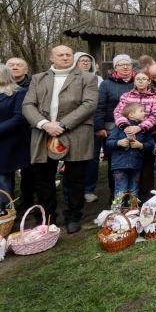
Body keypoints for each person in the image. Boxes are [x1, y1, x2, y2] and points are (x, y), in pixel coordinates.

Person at [22, 45, 98, 233]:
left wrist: (62, 124)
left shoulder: (87, 78)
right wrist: (44, 124)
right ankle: (47, 217)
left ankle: (73, 216)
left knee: (74, 178)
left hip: (76, 131)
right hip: (43, 132)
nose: (65, 57)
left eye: (68, 54)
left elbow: (89, 104)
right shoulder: (38, 79)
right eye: (60, 54)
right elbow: (28, 105)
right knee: (43, 177)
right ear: (51, 58)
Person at [112, 71, 156, 201]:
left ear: (149, 81)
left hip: (146, 134)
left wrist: (140, 127)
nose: (140, 81)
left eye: (144, 79)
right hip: (125, 132)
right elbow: (118, 112)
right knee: (123, 172)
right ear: (134, 81)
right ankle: (120, 204)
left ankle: (144, 202)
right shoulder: (126, 96)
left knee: (145, 172)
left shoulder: (155, 97)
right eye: (138, 79)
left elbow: (154, 116)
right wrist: (126, 127)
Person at [94, 54, 135, 197]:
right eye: (121, 65)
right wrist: (99, 127)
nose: (125, 67)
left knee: (134, 161)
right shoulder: (106, 84)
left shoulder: (138, 81)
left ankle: (134, 195)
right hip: (113, 129)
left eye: (128, 64)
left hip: (137, 127)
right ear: (115, 68)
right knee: (116, 163)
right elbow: (100, 106)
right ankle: (116, 195)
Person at [105, 103, 155, 199]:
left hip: (136, 165)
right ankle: (118, 212)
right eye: (141, 111)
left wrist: (141, 145)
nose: (144, 113)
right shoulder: (119, 128)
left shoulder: (143, 129)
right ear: (131, 115)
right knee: (121, 190)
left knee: (134, 190)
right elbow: (109, 142)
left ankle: (132, 212)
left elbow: (151, 144)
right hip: (120, 165)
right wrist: (118, 143)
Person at [73, 51, 102, 203]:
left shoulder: (99, 80)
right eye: (81, 60)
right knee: (73, 160)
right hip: (73, 125)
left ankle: (88, 189)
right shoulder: (69, 79)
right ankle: (73, 190)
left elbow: (100, 104)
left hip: (93, 125)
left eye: (87, 61)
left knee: (92, 158)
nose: (85, 63)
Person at [0, 64, 30, 209]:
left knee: (4, 177)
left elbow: (19, 117)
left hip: (9, 143)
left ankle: (6, 211)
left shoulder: (18, 92)